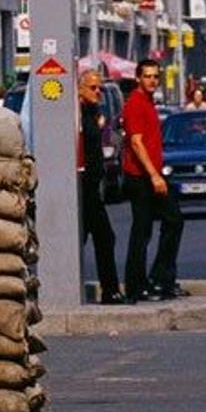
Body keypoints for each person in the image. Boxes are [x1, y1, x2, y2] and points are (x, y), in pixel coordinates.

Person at [121, 58, 184, 301]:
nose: (152, 80)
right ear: (138, 78)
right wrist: (154, 175)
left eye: (155, 76)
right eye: (147, 76)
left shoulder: (148, 102)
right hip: (141, 178)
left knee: (172, 220)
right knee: (143, 230)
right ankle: (138, 286)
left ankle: (161, 278)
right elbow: (136, 143)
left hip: (150, 176)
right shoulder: (136, 103)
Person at [78, 67, 121, 303]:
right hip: (84, 188)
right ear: (79, 89)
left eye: (100, 88)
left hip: (93, 186)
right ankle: (110, 290)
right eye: (93, 88)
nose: (98, 93)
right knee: (103, 237)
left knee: (99, 238)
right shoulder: (77, 115)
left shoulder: (93, 111)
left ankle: (110, 290)